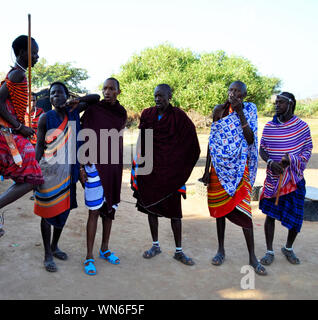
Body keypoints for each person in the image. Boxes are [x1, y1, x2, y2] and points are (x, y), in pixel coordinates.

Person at [0, 35, 43, 237]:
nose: (37, 56)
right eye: (34, 52)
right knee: (33, 178)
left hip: (5, 132)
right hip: (5, 133)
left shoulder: (18, 74)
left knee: (28, 177)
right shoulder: (17, 76)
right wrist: (20, 126)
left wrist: (21, 126)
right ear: (22, 53)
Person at [200, 81, 266, 275]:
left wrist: (240, 113)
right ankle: (220, 250)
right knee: (220, 210)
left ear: (244, 95)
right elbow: (213, 141)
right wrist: (206, 170)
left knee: (245, 211)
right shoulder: (219, 110)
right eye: (231, 90)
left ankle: (252, 257)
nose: (233, 93)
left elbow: (250, 139)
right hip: (218, 169)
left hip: (239, 169)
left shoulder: (250, 110)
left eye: (238, 91)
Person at [131, 84, 200, 265]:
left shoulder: (179, 117)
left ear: (170, 96)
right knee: (150, 208)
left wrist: (181, 169)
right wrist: (137, 164)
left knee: (175, 214)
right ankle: (155, 245)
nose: (157, 99)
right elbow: (142, 140)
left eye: (161, 96)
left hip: (172, 174)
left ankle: (179, 250)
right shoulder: (147, 114)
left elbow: (192, 145)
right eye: (155, 95)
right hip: (150, 172)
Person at [34, 82, 99, 272]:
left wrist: (76, 101)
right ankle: (47, 254)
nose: (56, 96)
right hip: (50, 172)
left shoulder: (74, 111)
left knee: (63, 211)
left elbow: (95, 98)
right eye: (53, 94)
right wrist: (35, 171)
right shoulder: (46, 118)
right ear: (50, 99)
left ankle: (55, 246)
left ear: (66, 95)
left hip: (70, 171)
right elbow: (39, 146)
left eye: (60, 93)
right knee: (47, 213)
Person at [258, 92, 313, 265]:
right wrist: (271, 162)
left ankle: (288, 248)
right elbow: (262, 149)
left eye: (280, 102)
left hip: (294, 180)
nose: (277, 105)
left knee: (296, 217)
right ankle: (269, 251)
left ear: (291, 104)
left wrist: (292, 160)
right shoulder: (269, 127)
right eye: (276, 102)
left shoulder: (302, 127)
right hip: (274, 179)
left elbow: (307, 150)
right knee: (270, 215)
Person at [80, 78, 127, 276]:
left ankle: (104, 248)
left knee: (109, 210)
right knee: (94, 211)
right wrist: (82, 166)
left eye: (111, 89)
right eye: (104, 88)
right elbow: (83, 135)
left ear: (118, 91)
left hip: (113, 167)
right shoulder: (93, 110)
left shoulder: (121, 112)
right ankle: (89, 256)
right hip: (93, 167)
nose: (107, 92)